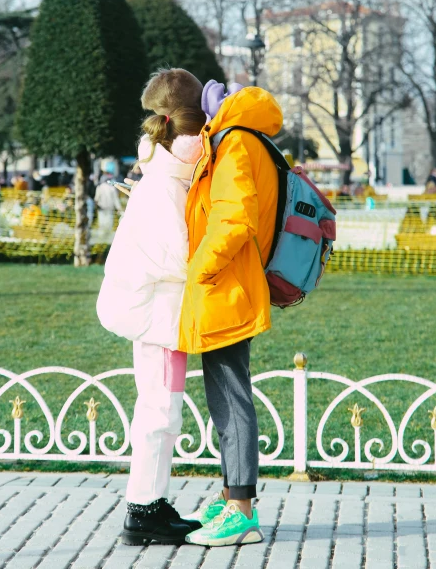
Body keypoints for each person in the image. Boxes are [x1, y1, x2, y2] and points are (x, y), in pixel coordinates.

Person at [139, 68, 282, 548]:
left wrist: (199, 269)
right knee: (225, 395)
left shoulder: (235, 141)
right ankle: (231, 498)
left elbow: (234, 218)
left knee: (231, 397)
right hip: (224, 285)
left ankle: (242, 510)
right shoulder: (231, 135)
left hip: (225, 286)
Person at [96, 99, 206, 546]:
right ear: (182, 139)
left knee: (159, 409)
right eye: (202, 136)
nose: (206, 145)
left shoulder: (161, 178)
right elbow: (178, 257)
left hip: (162, 315)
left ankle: (151, 504)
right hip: (160, 317)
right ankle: (144, 510)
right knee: (161, 412)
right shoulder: (164, 186)